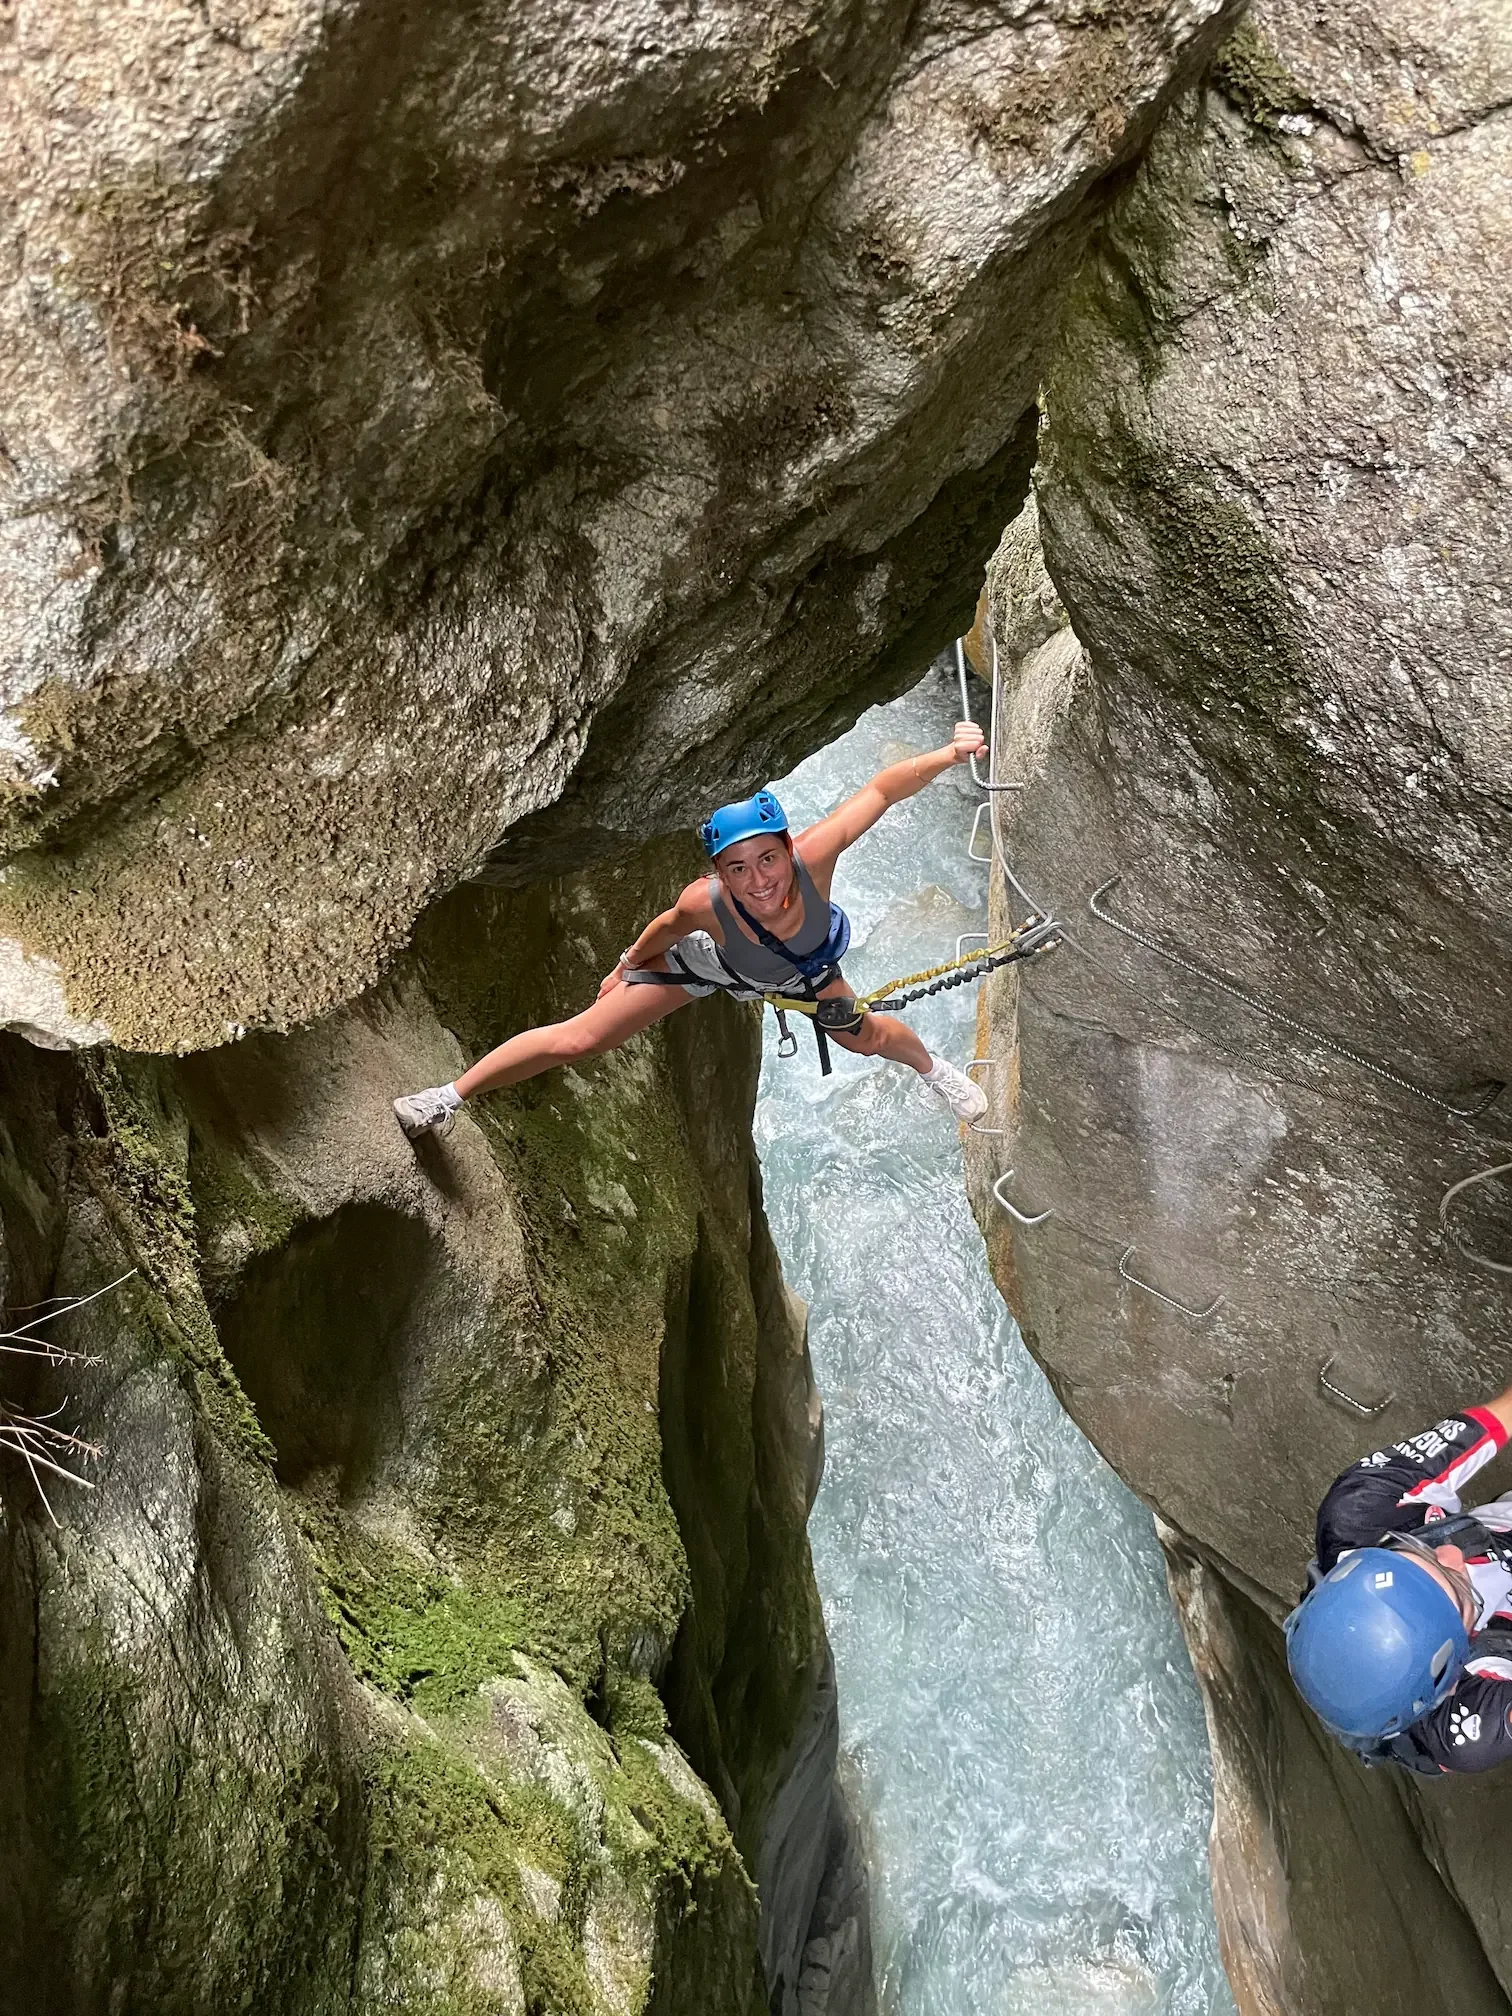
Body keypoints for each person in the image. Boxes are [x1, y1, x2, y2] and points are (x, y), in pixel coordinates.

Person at [393, 724, 993, 1139]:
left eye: (767, 859)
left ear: (788, 848)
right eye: (736, 868)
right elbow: (666, 926)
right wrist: (626, 966)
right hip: (706, 967)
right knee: (581, 1040)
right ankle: (447, 1098)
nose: (757, 880)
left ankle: (937, 1073)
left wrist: (946, 755)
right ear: (717, 873)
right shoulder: (704, 903)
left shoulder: (816, 857)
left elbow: (882, 790)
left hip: (807, 974)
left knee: (864, 1038)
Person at [1285, 1383, 1512, 1772]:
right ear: (1453, 1678)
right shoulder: (1469, 1729)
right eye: (1461, 1595)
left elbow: (1499, 1416)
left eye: (1414, 1552)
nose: (1453, 1554)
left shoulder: (1361, 1510)